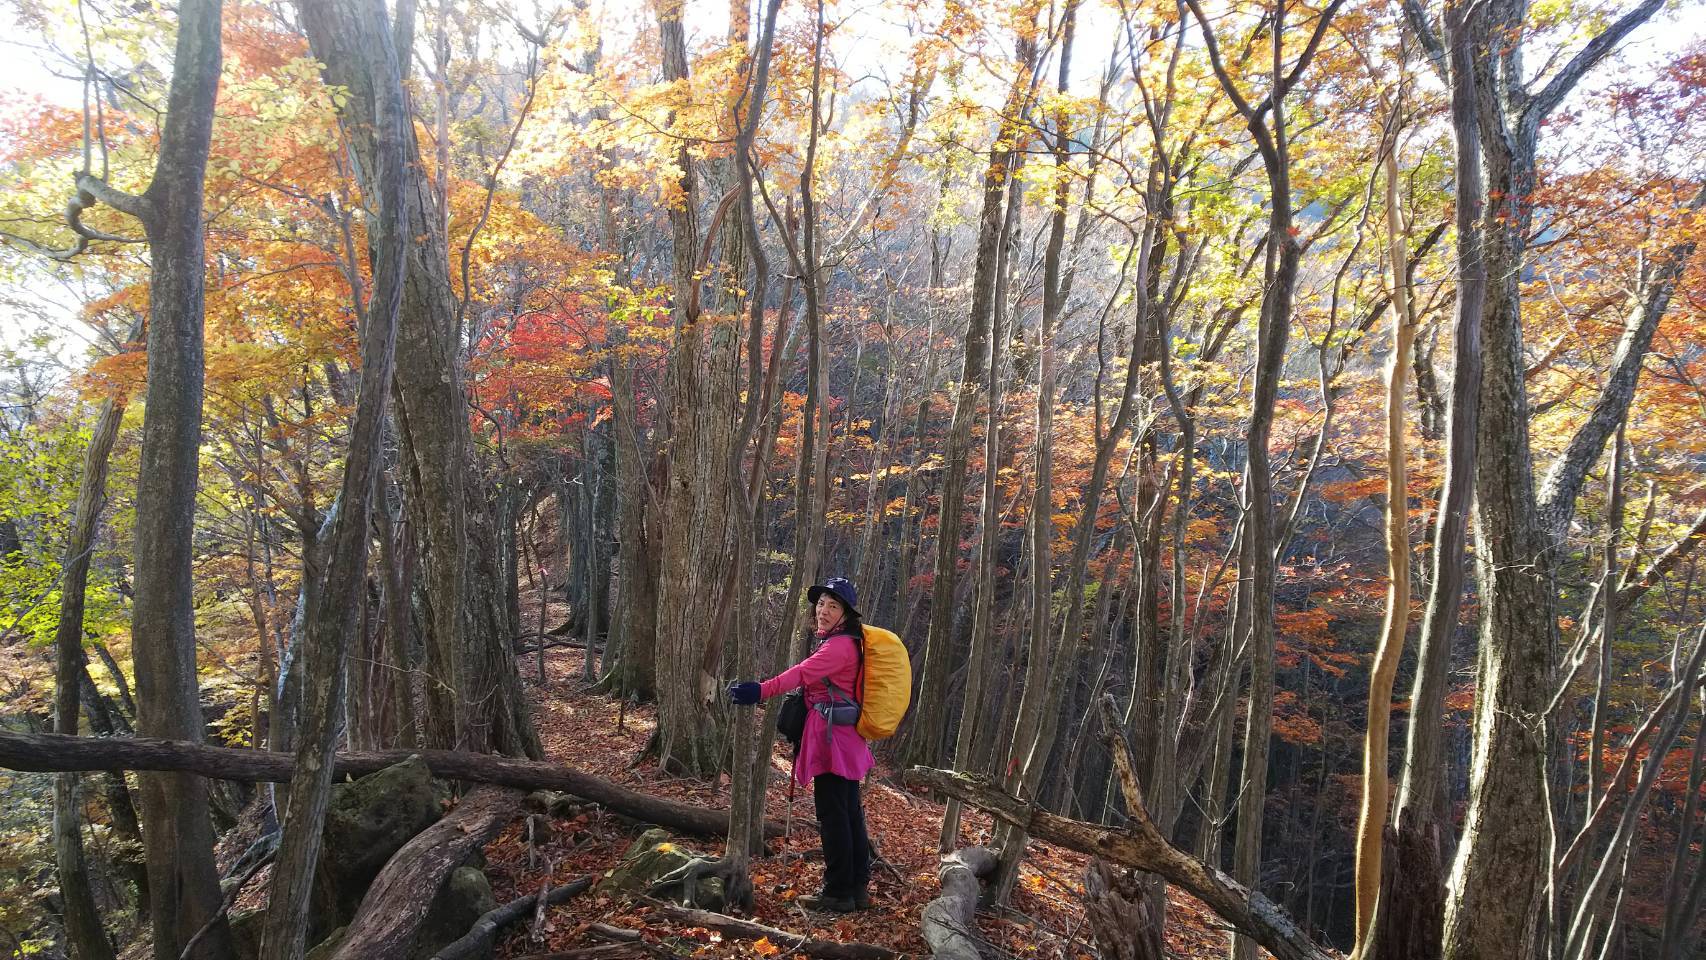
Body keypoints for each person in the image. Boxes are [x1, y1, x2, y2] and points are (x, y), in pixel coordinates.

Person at [728, 577, 874, 913]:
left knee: (834, 814)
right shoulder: (849, 642)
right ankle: (856, 886)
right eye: (821, 603)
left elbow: (799, 674)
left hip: (832, 741)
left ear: (846, 614)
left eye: (832, 606)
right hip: (845, 738)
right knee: (849, 811)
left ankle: (838, 891)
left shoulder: (838, 647)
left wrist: (759, 691)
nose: (823, 611)